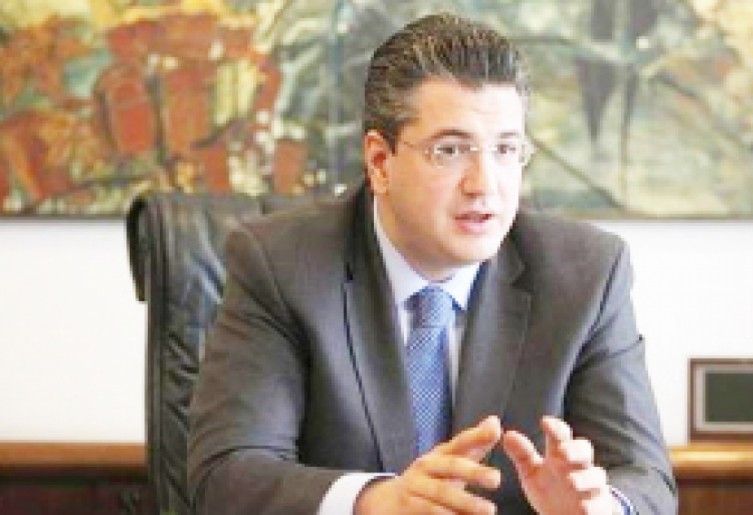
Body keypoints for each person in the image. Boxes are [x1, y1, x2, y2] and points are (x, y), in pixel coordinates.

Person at [188, 12, 676, 515]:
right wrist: (376, 501)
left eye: (506, 150)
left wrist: (599, 507)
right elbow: (227, 476)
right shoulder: (283, 266)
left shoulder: (586, 274)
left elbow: (646, 482)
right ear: (380, 162)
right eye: (450, 150)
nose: (484, 184)